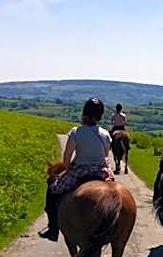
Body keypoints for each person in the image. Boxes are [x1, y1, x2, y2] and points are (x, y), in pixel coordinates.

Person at [38, 98, 115, 241]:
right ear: (100, 115)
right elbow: (105, 156)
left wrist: (70, 167)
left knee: (53, 189)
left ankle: (53, 228)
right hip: (101, 171)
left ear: (84, 113)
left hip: (80, 170)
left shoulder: (75, 132)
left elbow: (66, 160)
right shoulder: (105, 134)